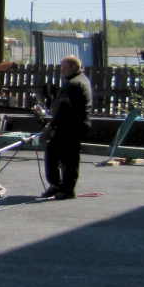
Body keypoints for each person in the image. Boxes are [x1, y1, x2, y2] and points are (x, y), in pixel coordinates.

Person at [40, 54, 92, 200]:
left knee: (69, 158)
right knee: (54, 152)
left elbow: (64, 108)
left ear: (74, 67)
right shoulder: (80, 80)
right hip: (71, 125)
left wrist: (51, 125)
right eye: (61, 68)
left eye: (65, 68)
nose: (62, 71)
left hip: (72, 126)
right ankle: (58, 185)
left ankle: (67, 189)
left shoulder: (74, 84)